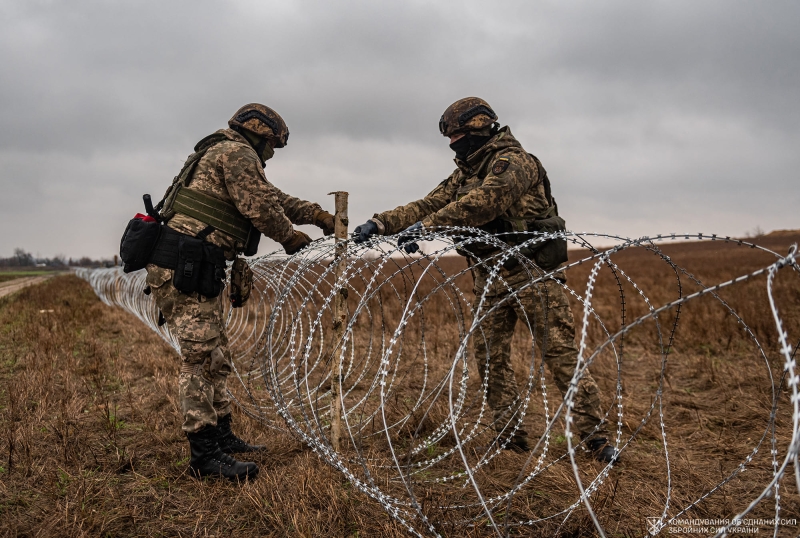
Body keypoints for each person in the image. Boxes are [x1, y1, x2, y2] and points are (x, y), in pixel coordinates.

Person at [353, 97, 616, 463]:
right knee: (491, 358)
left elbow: (485, 202)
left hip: (531, 275)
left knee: (560, 355)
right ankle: (510, 437)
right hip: (489, 277)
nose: (453, 144)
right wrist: (381, 223)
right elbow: (429, 203)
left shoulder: (514, 163)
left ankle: (596, 438)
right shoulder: (466, 171)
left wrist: (428, 227)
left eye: (458, 135)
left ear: (479, 128)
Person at [145, 103, 335, 481]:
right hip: (185, 268)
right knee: (199, 358)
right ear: (261, 135)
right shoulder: (237, 153)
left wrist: (317, 215)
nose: (271, 155)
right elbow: (261, 208)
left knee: (216, 353)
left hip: (198, 267)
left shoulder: (226, 152)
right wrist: (292, 237)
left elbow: (272, 197)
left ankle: (222, 437)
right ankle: (204, 457)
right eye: (272, 146)